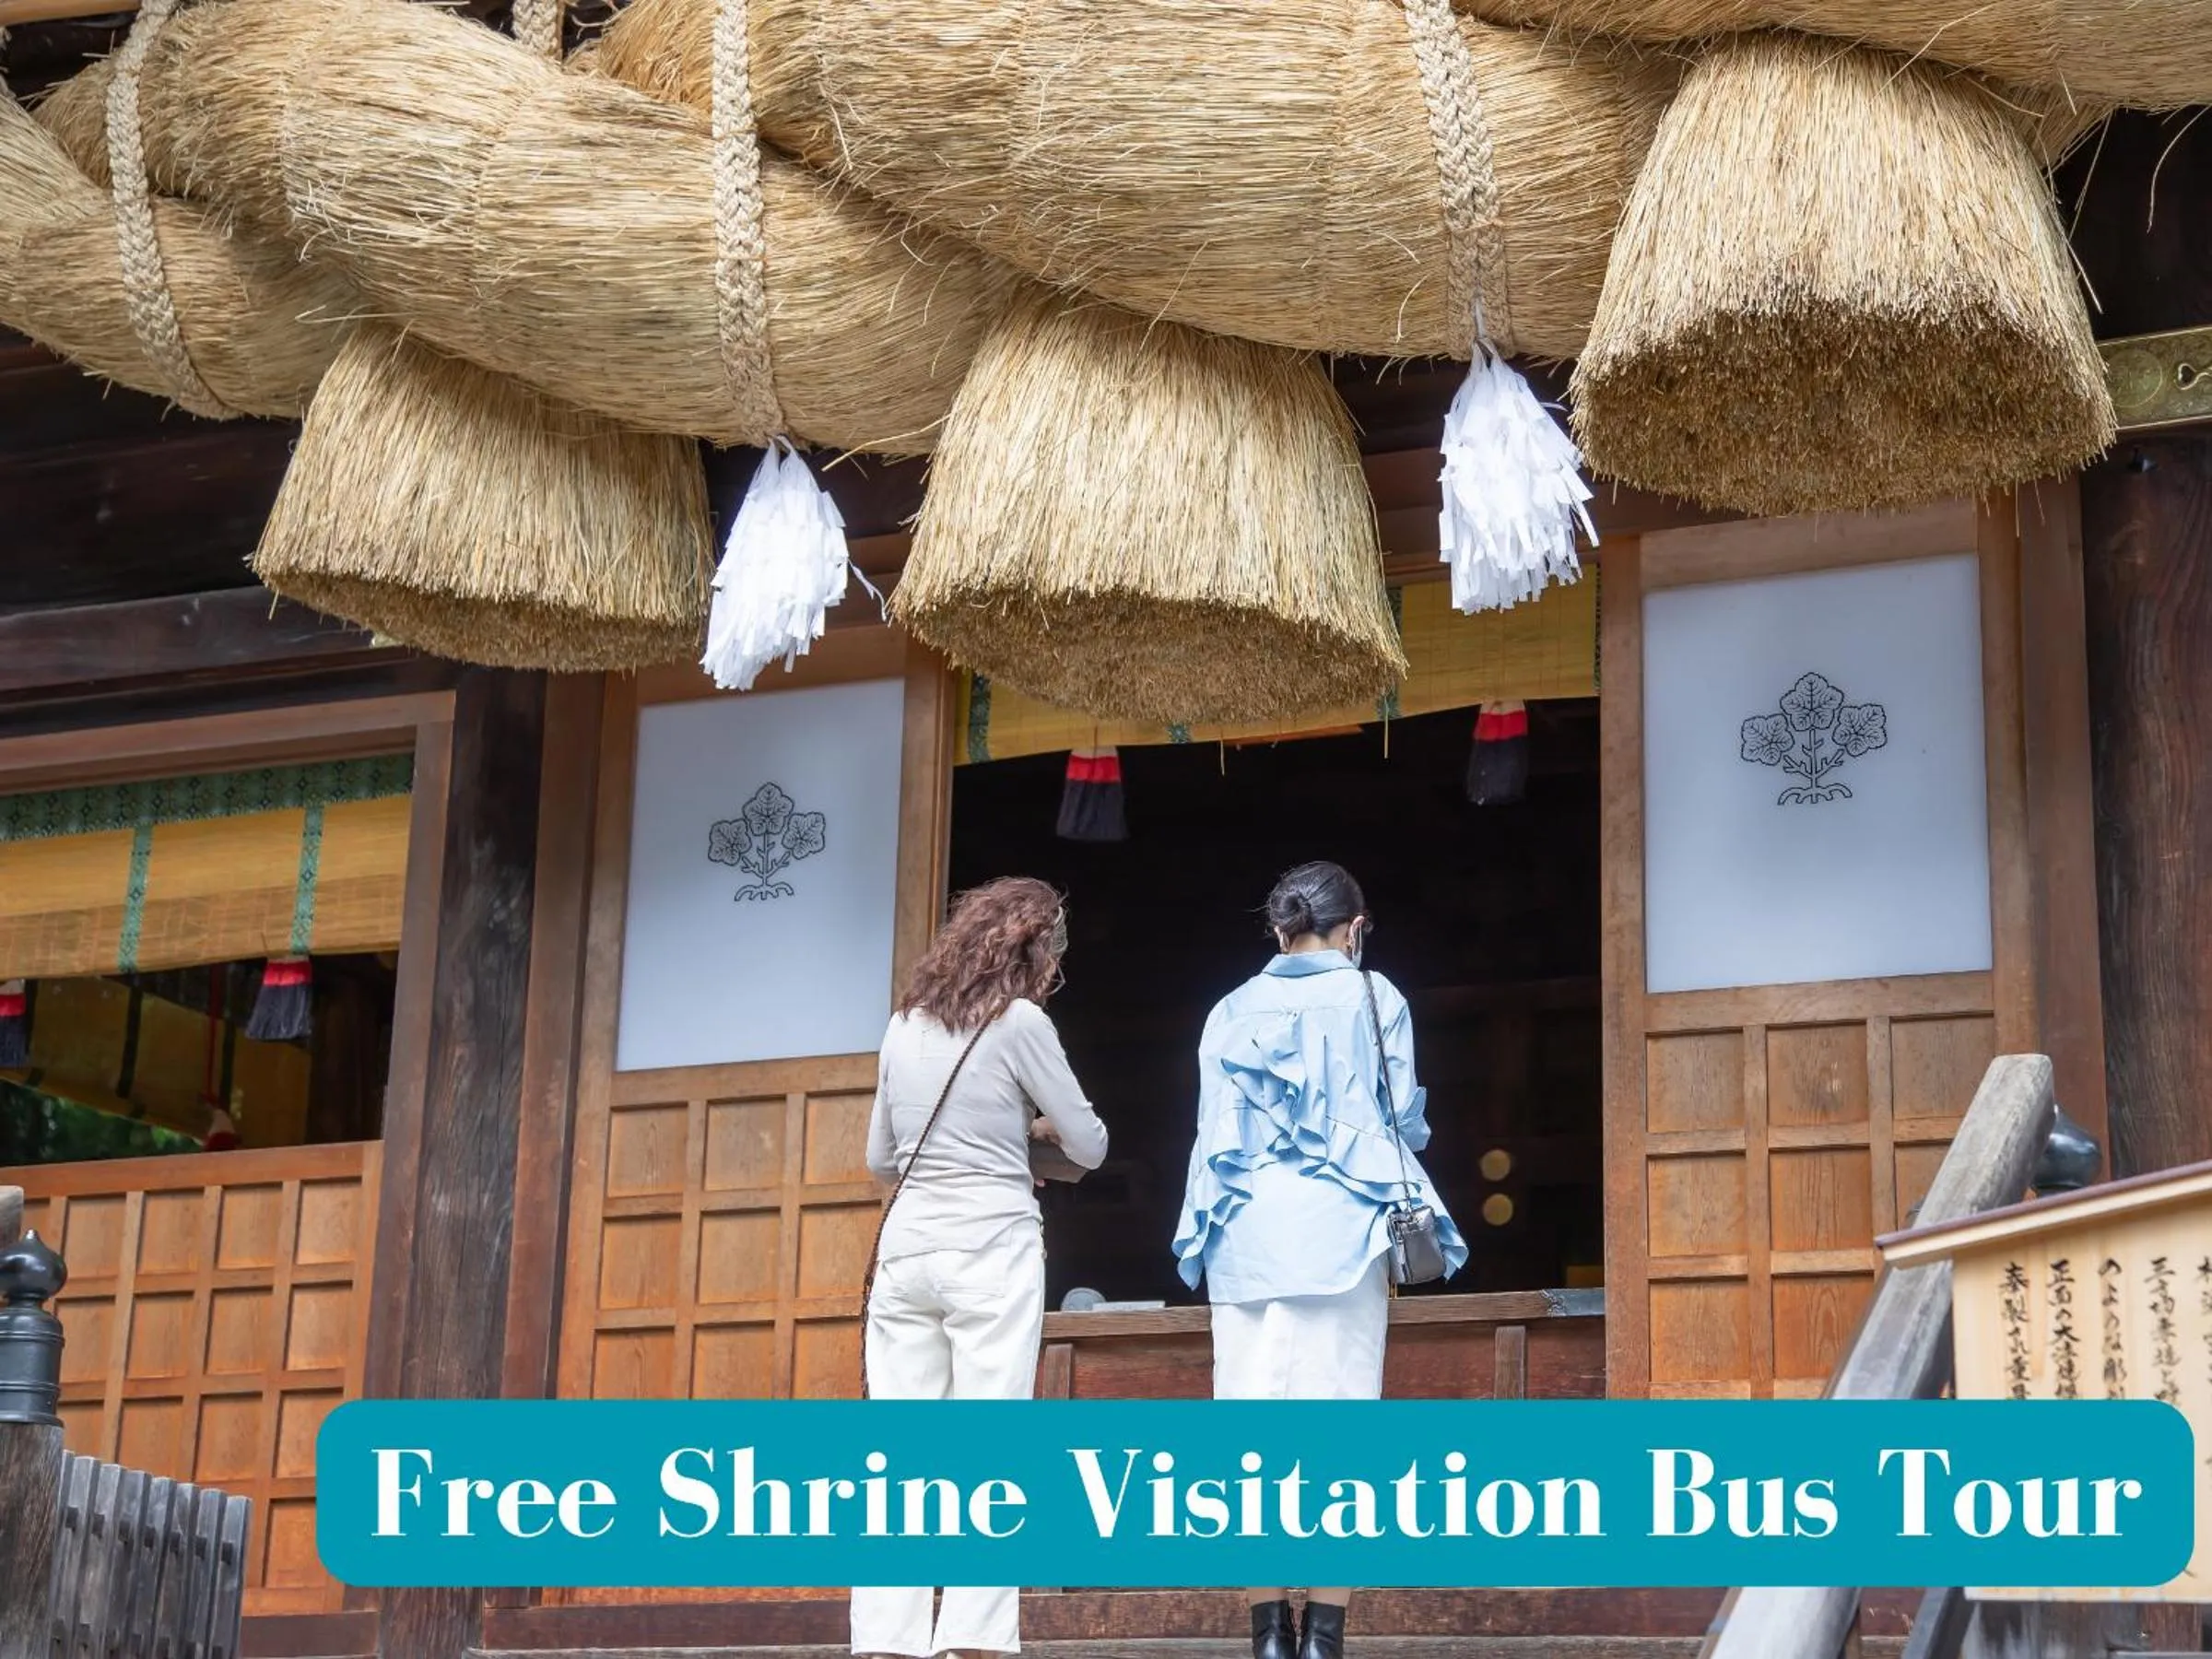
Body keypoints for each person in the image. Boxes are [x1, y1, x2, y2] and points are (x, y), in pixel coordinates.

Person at [1172, 861, 1467, 1659]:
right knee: (1343, 1432)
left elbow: (1212, 1132)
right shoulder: (1377, 997)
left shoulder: (1228, 1011)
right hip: (1341, 1234)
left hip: (1247, 1239)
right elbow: (1402, 1116)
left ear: (1278, 928)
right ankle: (1324, 1637)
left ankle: (1268, 1632)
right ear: (1355, 928)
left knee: (1248, 1439)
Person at [853, 876, 1110, 1659]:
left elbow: (878, 1159)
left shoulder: (904, 1024)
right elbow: (1091, 1144)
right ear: (1036, 951)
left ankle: (886, 1642)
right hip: (991, 1248)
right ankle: (971, 1638)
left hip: (908, 1256)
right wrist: (1023, 1130)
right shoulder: (1021, 1022)